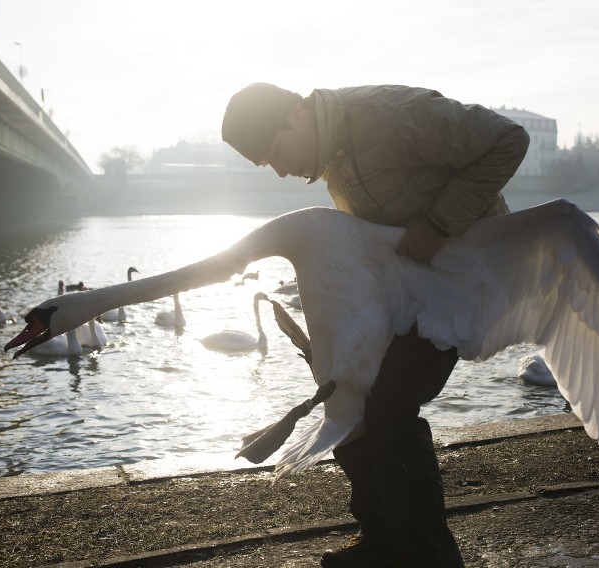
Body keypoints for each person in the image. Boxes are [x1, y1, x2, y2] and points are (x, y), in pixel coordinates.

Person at [222, 83, 529, 568]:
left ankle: (429, 558)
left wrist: (440, 223)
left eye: (276, 153)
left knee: (389, 405)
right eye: (268, 164)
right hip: (413, 286)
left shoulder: (393, 116)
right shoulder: (335, 157)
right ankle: (382, 540)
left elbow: (508, 140)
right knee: (347, 391)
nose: (280, 170)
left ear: (297, 113)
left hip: (468, 280)